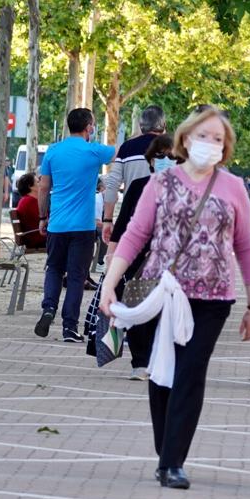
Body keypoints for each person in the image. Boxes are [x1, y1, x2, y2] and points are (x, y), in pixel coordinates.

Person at [99, 106, 250, 490]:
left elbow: (243, 247)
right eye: (203, 136)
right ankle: (165, 449)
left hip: (213, 298)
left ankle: (173, 461)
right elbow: (136, 234)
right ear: (185, 139)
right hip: (163, 293)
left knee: (189, 372)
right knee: (162, 371)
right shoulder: (161, 182)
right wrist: (109, 283)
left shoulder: (234, 186)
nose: (210, 145)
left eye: (218, 139)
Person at [91, 135, 176, 381]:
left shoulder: (185, 190)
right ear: (150, 161)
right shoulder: (139, 186)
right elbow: (122, 225)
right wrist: (111, 257)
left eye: (171, 157)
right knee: (139, 307)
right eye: (160, 156)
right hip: (139, 259)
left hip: (172, 259)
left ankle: (161, 359)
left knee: (166, 310)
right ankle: (140, 361)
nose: (165, 161)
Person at [34, 108, 116, 342]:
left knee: (54, 269)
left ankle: (48, 308)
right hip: (82, 227)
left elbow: (43, 187)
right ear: (89, 127)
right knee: (78, 277)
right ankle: (70, 328)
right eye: (93, 125)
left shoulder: (53, 150)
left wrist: (42, 217)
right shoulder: (93, 151)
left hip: (57, 225)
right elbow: (121, 153)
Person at [101, 105, 167, 244]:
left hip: (133, 218)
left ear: (141, 126)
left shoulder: (127, 148)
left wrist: (107, 220)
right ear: (164, 125)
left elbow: (112, 185)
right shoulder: (174, 149)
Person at [14, 172, 46, 249]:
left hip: (34, 236)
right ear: (30, 186)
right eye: (38, 182)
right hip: (38, 239)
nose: (41, 183)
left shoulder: (26, 200)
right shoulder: (30, 202)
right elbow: (46, 220)